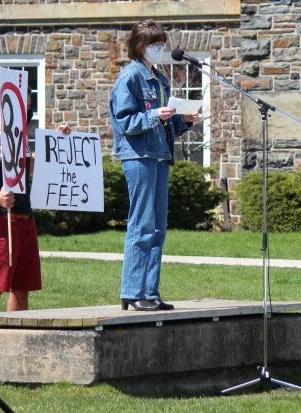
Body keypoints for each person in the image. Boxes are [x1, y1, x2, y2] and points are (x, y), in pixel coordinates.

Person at [110, 19, 199, 311]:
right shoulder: (130, 78)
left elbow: (166, 124)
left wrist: (182, 120)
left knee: (158, 227)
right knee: (142, 224)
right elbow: (124, 122)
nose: (160, 49)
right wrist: (153, 116)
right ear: (139, 46)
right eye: (154, 44)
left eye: (162, 44)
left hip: (160, 155)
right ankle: (132, 291)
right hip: (138, 156)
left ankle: (150, 291)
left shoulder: (160, 79)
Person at [0, 89, 71, 313]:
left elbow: (31, 172)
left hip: (25, 220)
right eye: (23, 105)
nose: (26, 111)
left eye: (29, 105)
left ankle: (17, 337)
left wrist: (58, 138)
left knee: (22, 286)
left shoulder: (20, 139)